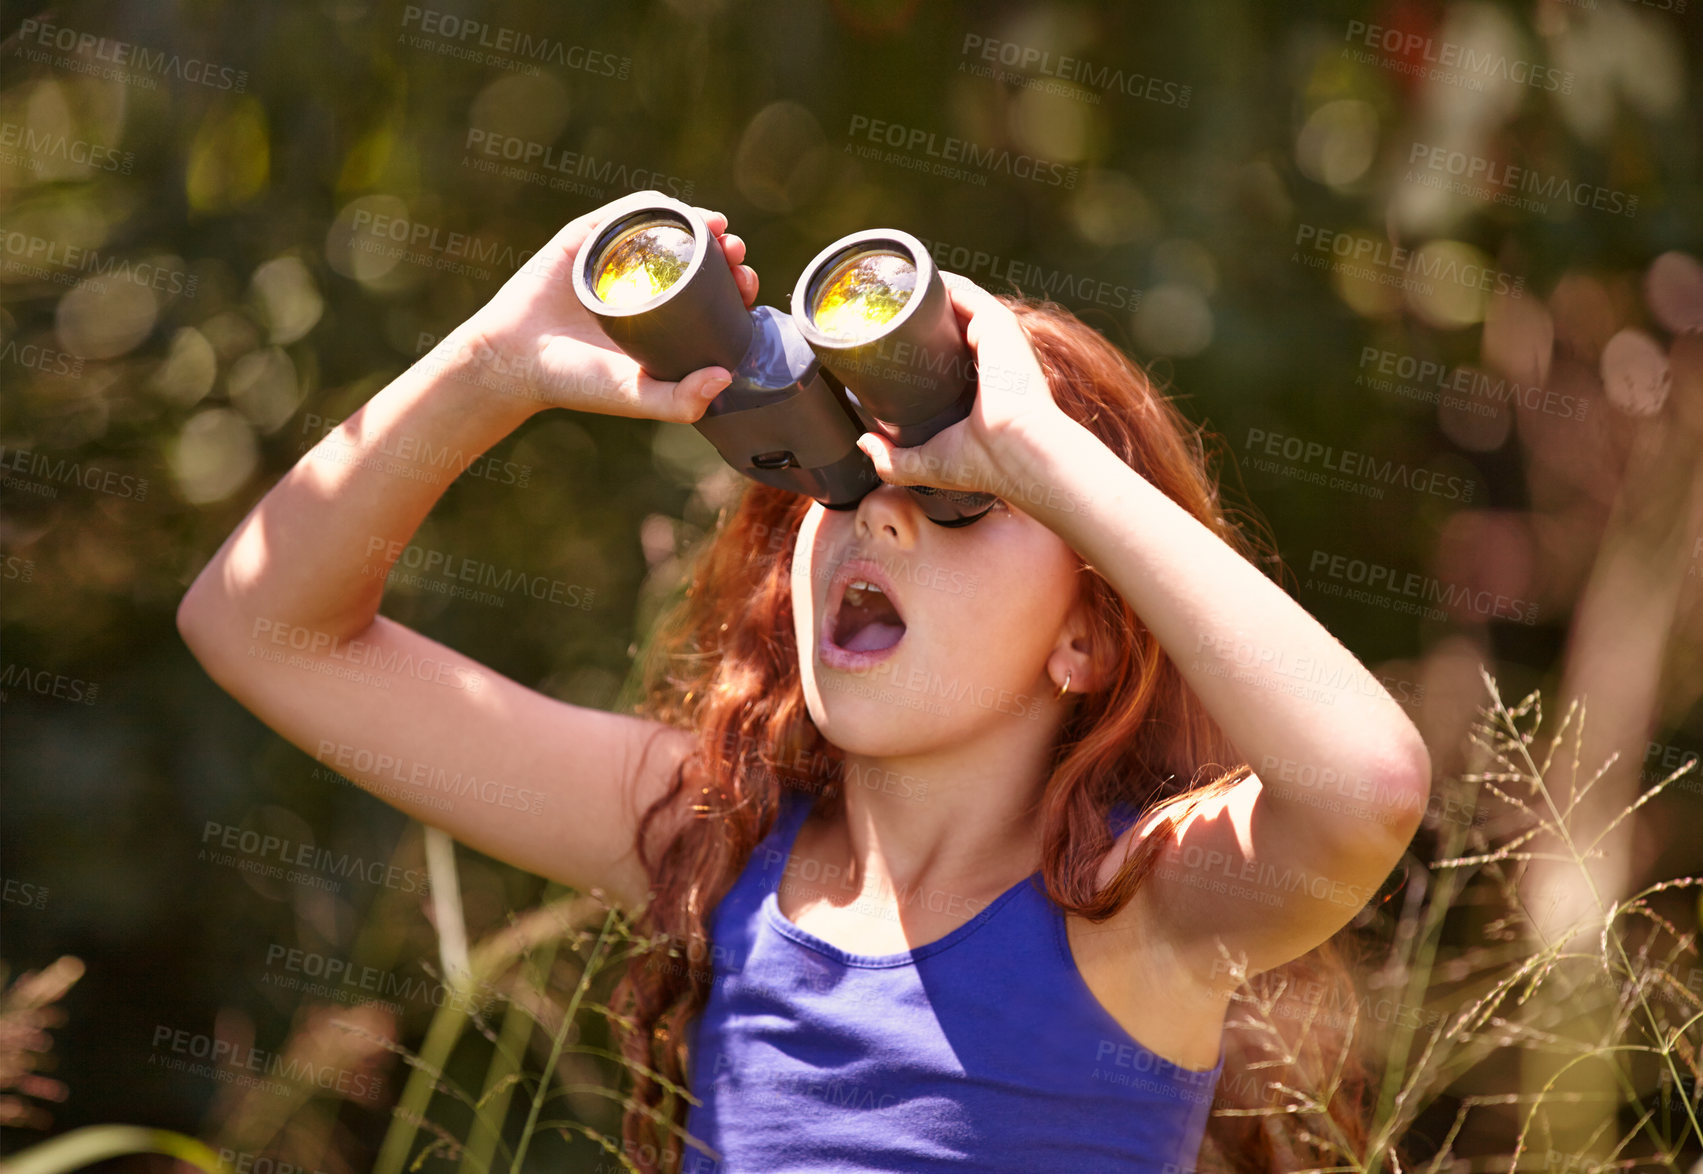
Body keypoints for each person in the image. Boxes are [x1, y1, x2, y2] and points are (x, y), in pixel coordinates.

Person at [177, 194, 1432, 1174]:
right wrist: (494, 361)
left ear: (1086, 639)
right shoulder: (720, 836)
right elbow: (260, 624)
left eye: (960, 506)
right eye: (840, 489)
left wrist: (1043, 453)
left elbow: (1364, 783)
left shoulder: (1138, 905)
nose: (873, 527)